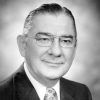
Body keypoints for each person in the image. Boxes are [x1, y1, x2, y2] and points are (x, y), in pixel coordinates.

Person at [0, 3, 92, 100]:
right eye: (44, 39)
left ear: (75, 47)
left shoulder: (82, 93)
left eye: (65, 41)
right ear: (23, 45)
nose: (56, 52)